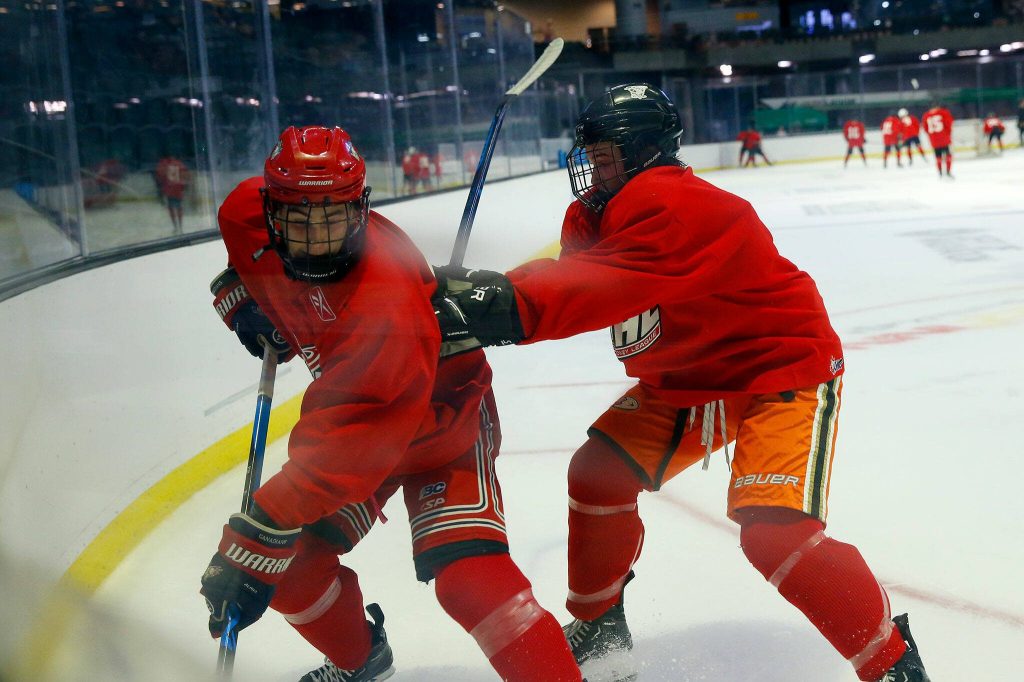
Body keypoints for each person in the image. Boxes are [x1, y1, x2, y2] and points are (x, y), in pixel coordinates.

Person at [432, 84, 931, 682]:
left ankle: (892, 663)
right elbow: (574, 278)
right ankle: (599, 625)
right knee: (597, 474)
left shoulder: (680, 206)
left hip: (777, 367)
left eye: (606, 155)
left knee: (775, 536)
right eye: (590, 154)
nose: (593, 167)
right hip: (692, 376)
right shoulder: (601, 208)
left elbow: (596, 290)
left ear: (645, 151)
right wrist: (479, 295)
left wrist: (494, 304)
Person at [200, 126, 583, 682]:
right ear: (270, 207)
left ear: (359, 209)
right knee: (292, 567)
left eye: (332, 218)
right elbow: (242, 262)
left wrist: (253, 537)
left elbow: (346, 451)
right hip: (356, 419)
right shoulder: (245, 214)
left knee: (468, 582)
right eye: (297, 218)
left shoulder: (384, 297)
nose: (315, 238)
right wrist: (245, 303)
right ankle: (361, 662)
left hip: (441, 419)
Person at [155, 156, 191, 231]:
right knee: (178, 207)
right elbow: (186, 176)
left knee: (173, 208)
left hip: (171, 190)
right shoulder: (179, 164)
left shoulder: (164, 164)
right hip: (177, 190)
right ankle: (179, 226)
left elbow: (160, 176)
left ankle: (176, 226)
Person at [922, 103, 955, 178]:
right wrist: (948, 133)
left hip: (934, 139)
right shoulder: (943, 112)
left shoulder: (926, 115)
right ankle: (948, 171)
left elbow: (925, 128)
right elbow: (949, 123)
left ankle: (940, 172)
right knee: (948, 155)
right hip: (944, 138)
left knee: (938, 156)